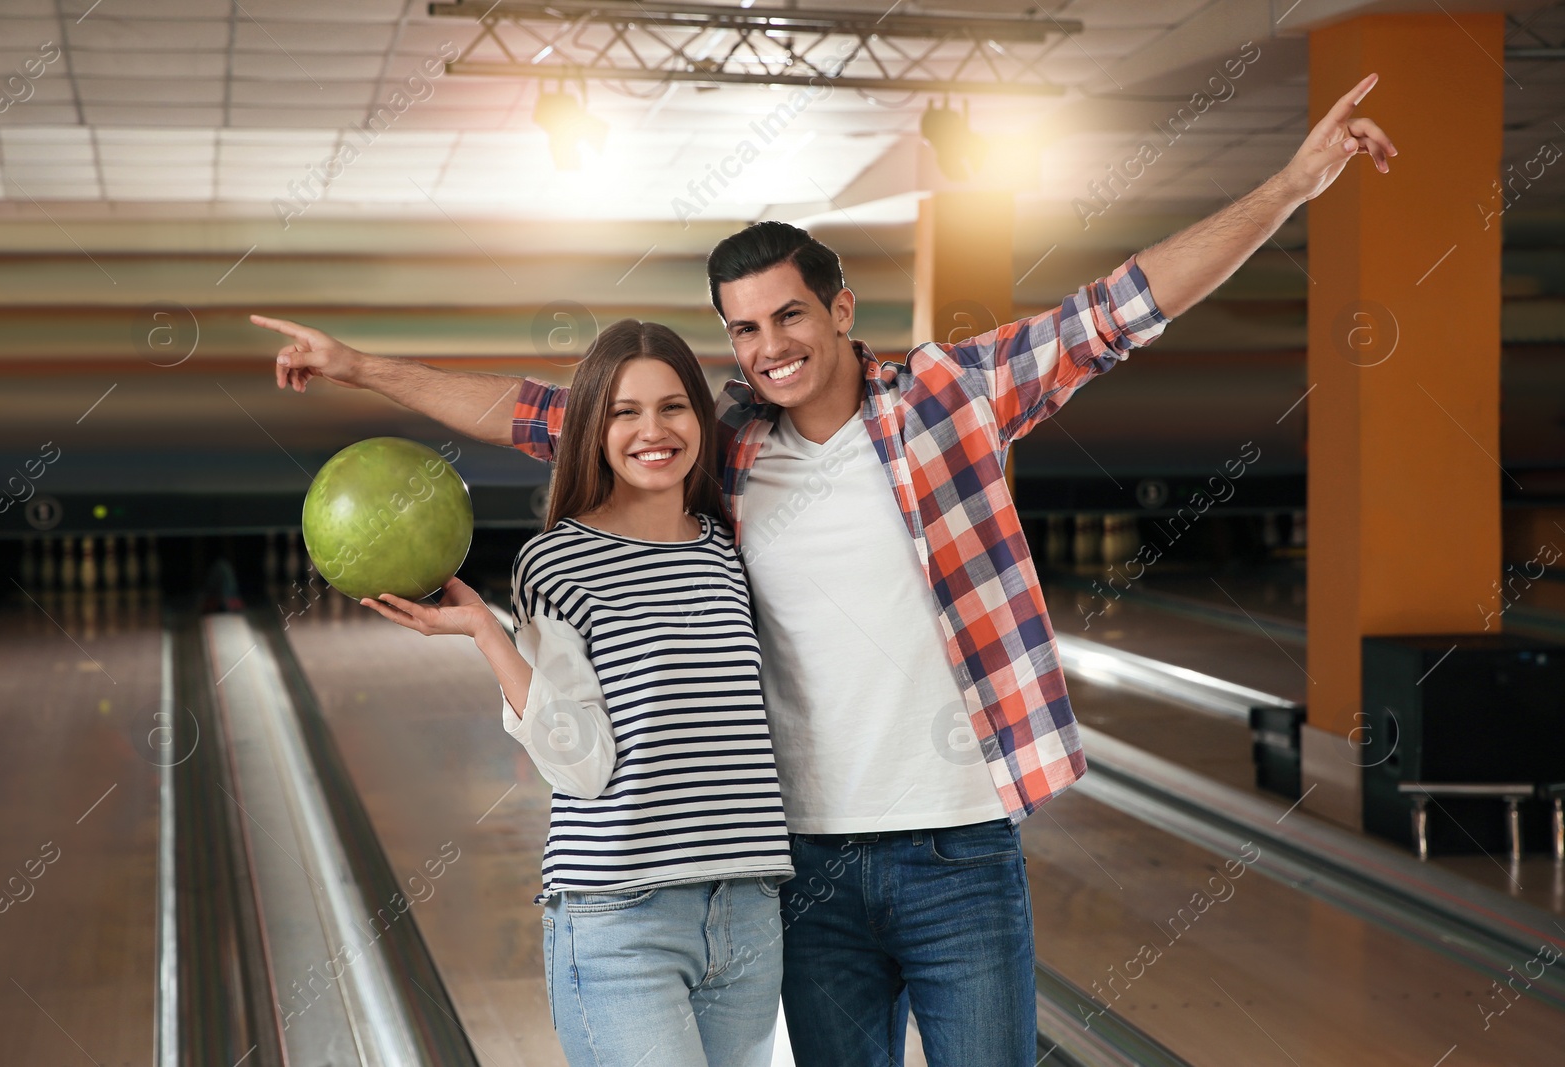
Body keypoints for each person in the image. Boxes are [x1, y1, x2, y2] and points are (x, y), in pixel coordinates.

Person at [252, 73, 1395, 1065]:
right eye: (742, 329)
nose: (768, 345)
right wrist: (358, 364)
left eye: (788, 314)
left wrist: (1292, 183)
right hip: (797, 868)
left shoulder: (953, 398)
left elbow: (1123, 305)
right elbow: (543, 413)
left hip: (960, 846)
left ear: (841, 308)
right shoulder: (727, 445)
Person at [348, 319, 793, 1067]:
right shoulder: (558, 561)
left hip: (748, 910)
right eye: (624, 412)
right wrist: (491, 635)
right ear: (592, 427)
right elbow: (582, 766)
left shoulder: (727, 547)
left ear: (700, 419)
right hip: (623, 917)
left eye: (673, 406)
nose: (653, 429)